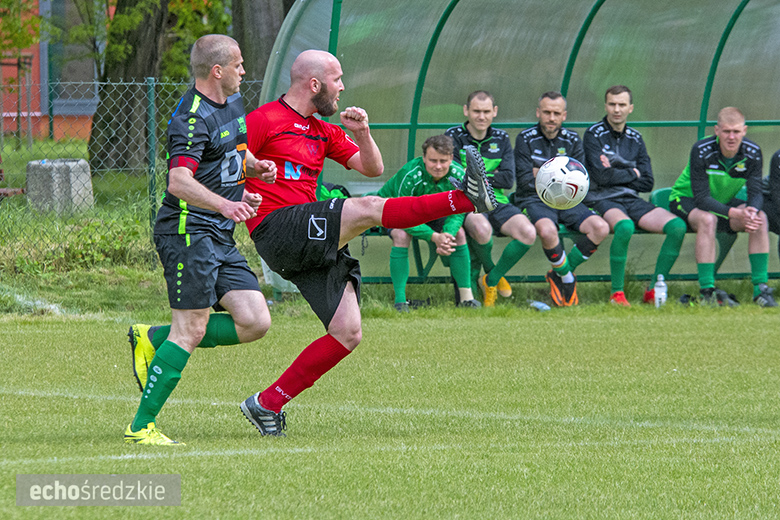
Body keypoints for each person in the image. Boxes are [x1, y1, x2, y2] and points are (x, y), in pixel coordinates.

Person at [240, 49, 496, 436]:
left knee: (347, 331)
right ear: (315, 84)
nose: (342, 88)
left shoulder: (323, 130)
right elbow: (225, 161)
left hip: (310, 237)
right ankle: (464, 197)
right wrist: (251, 172)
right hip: (276, 228)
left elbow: (373, 168)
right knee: (369, 208)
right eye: (337, 80)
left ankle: (267, 403)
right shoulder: (263, 120)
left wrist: (362, 133)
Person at [123, 35, 278, 445]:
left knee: (255, 320)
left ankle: (154, 338)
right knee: (190, 329)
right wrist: (225, 206)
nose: (244, 71)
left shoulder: (233, 103)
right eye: (239, 65)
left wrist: (254, 168)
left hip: (217, 232)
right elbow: (179, 182)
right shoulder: (190, 119)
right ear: (217, 71)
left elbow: (231, 153)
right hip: (188, 231)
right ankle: (141, 427)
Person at [583, 85, 687, 306]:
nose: (616, 110)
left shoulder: (636, 138)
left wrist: (616, 173)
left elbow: (648, 181)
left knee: (677, 227)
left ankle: (653, 290)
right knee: (625, 227)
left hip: (631, 198)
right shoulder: (593, 134)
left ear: (631, 108)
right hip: (602, 198)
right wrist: (632, 172)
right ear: (605, 106)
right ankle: (617, 294)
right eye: (612, 104)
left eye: (622, 105)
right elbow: (600, 178)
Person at [669, 107, 777, 307]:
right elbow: (701, 198)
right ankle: (707, 291)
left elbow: (755, 193)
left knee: (759, 218)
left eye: (736, 132)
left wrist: (751, 211)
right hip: (685, 200)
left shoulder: (752, 153)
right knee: (708, 220)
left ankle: (760, 290)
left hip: (722, 203)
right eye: (726, 131)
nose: (731, 137)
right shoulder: (701, 150)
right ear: (716, 131)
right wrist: (735, 213)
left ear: (744, 131)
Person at [515, 91, 610, 306]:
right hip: (535, 199)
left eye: (556, 113)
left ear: (564, 115)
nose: (551, 117)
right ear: (538, 112)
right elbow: (523, 180)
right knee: (547, 231)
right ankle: (567, 278)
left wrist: (540, 173)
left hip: (569, 200)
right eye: (546, 112)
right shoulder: (525, 138)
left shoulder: (573, 139)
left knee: (600, 228)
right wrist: (555, 179)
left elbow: (581, 179)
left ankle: (558, 273)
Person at [445, 91, 536, 307]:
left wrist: (475, 173)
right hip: (466, 202)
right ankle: (489, 269)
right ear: (466, 111)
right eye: (476, 111)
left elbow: (508, 179)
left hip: (498, 201)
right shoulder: (453, 136)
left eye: (486, 111)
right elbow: (455, 176)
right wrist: (478, 175)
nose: (481, 116)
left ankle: (491, 278)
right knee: (482, 230)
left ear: (494, 112)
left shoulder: (502, 138)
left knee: (528, 233)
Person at [378, 135, 481, 311]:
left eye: (443, 161)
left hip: (433, 214)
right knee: (401, 235)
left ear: (451, 158)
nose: (438, 166)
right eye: (433, 160)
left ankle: (466, 299)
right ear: (424, 157)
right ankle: (400, 302)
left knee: (459, 234)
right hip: (394, 210)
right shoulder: (410, 174)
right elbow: (403, 215)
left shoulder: (459, 175)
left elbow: (458, 211)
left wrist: (447, 234)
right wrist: (434, 237)